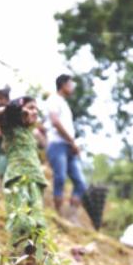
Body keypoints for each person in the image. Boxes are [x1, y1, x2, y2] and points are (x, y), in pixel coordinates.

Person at [0, 97, 47, 265]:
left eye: (36, 109)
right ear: (20, 111)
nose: (34, 112)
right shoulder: (11, 128)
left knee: (37, 229)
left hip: (35, 182)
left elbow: (44, 144)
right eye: (31, 108)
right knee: (20, 225)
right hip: (17, 180)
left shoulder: (31, 133)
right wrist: (18, 109)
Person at [45, 74, 87, 221]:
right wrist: (72, 141)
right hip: (57, 145)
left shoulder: (64, 103)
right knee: (60, 178)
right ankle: (59, 215)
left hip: (69, 146)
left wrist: (72, 143)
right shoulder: (53, 100)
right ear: (63, 85)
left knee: (81, 183)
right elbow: (55, 122)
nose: (73, 88)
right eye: (71, 84)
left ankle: (71, 216)